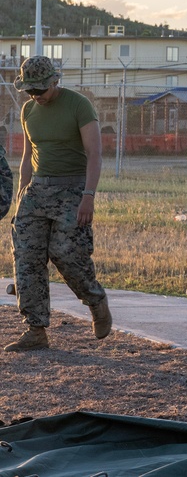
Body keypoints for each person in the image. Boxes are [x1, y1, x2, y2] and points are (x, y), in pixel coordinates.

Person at [5, 56, 111, 353]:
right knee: (26, 258)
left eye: (41, 90)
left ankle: (95, 300)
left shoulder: (79, 105)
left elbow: (94, 154)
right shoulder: (28, 110)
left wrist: (88, 195)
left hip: (72, 188)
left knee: (67, 254)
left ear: (55, 81)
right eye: (30, 91)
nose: (36, 96)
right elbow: (29, 155)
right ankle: (35, 330)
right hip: (37, 190)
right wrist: (22, 194)